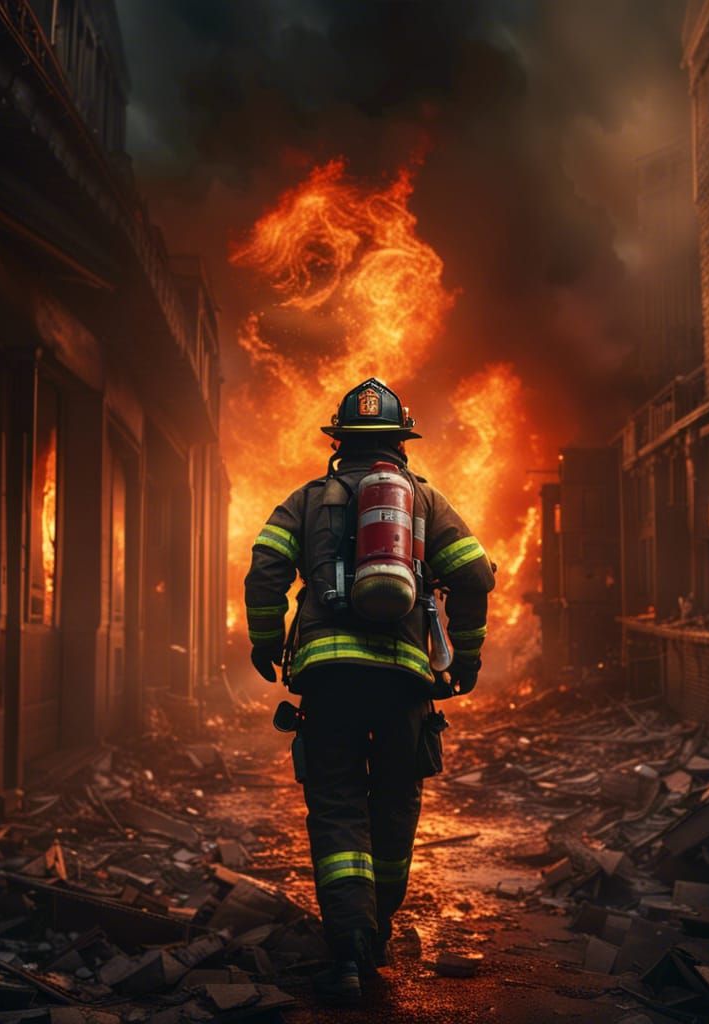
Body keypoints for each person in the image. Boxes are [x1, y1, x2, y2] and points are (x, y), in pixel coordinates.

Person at [243, 378, 495, 1003]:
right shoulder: (424, 502)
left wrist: (265, 639)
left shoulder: (305, 500)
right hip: (404, 682)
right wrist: (466, 653)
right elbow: (473, 575)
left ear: (338, 442)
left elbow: (265, 569)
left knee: (335, 805)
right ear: (401, 442)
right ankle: (377, 933)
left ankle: (349, 949)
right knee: (393, 802)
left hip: (328, 680)